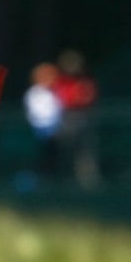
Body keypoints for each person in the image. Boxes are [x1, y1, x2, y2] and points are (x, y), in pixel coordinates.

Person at [50, 49, 101, 188]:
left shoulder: (85, 82)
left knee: (85, 153)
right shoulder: (60, 82)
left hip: (81, 117)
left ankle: (87, 182)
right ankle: (63, 180)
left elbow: (87, 98)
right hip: (66, 118)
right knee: (65, 151)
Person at [23, 62, 63, 180]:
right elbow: (35, 114)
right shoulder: (34, 93)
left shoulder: (55, 93)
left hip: (56, 132)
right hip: (40, 133)